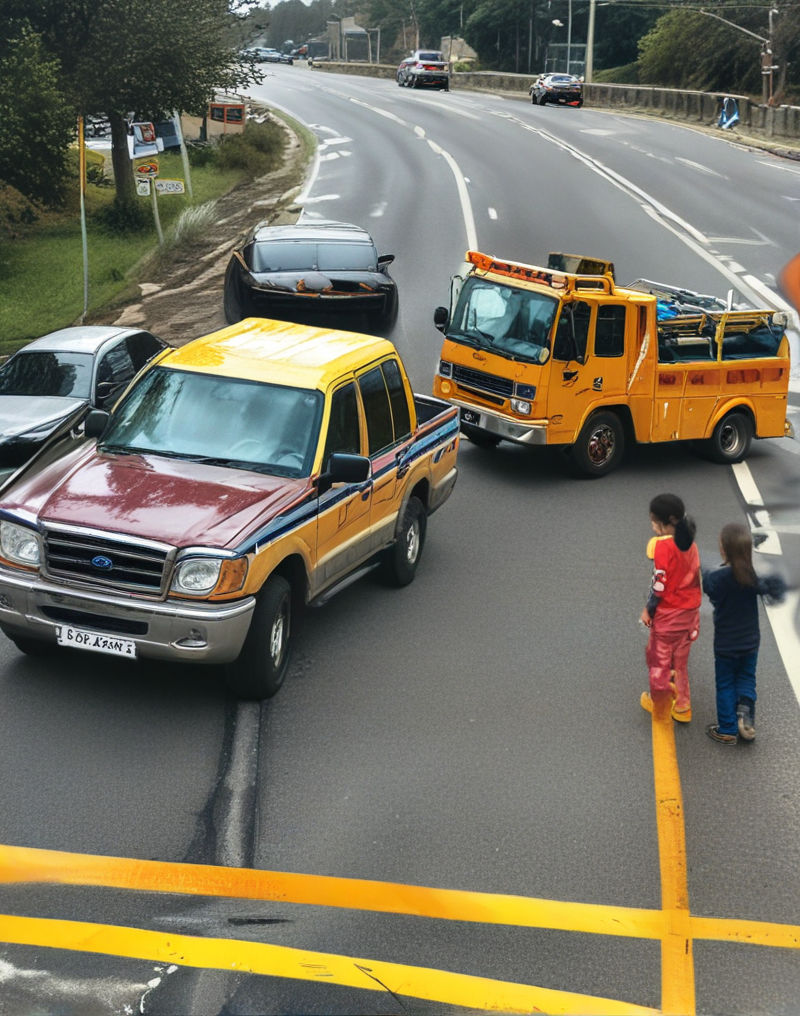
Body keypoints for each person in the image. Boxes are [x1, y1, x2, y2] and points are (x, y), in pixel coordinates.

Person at [702, 523, 786, 745]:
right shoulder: (751, 576)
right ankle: (746, 716)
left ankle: (728, 729)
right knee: (746, 678)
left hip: (726, 644)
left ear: (723, 549)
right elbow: (773, 588)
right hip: (750, 642)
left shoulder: (717, 578)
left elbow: (708, 586)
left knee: (726, 683)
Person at [640, 493, 702, 722]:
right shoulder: (691, 544)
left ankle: (660, 704)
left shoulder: (661, 548)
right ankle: (683, 707)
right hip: (690, 613)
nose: (652, 526)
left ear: (667, 523)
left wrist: (649, 609)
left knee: (659, 659)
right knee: (680, 661)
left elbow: (659, 584)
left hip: (669, 615)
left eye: (655, 522)